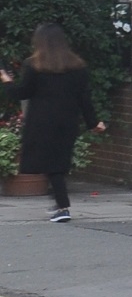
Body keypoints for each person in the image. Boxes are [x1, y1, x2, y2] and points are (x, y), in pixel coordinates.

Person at [2, 23, 105, 221]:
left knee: (51, 166)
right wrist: (94, 122)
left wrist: (6, 80)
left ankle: (63, 207)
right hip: (67, 121)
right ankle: (59, 202)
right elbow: (84, 99)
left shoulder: (34, 65)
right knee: (57, 162)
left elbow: (22, 93)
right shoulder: (78, 67)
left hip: (42, 122)